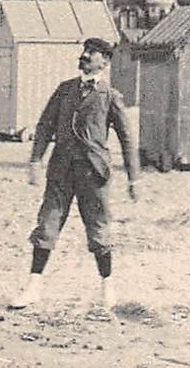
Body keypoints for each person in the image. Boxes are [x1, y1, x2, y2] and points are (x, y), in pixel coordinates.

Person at [9, 36, 139, 312]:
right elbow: (45, 125)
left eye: (92, 53)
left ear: (104, 62)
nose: (85, 56)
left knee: (99, 231)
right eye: (85, 51)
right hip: (61, 171)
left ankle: (108, 288)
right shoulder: (64, 90)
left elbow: (127, 139)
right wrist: (35, 161)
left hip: (94, 173)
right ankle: (33, 288)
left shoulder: (109, 97)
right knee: (46, 226)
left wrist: (133, 178)